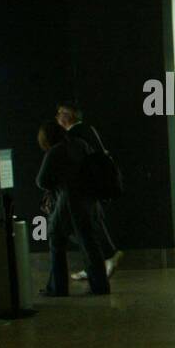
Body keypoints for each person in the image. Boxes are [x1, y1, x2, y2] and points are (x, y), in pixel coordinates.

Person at [36, 121, 110, 297]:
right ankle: (100, 286)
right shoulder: (81, 144)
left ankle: (58, 288)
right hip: (89, 203)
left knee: (56, 244)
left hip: (66, 206)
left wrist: (58, 183)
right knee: (90, 245)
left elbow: (41, 181)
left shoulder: (54, 151)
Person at [55, 102, 122, 281]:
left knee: (81, 229)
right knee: (94, 224)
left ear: (68, 116)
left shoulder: (73, 135)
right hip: (95, 188)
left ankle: (99, 262)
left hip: (83, 190)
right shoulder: (88, 130)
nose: (57, 117)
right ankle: (102, 261)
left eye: (60, 113)